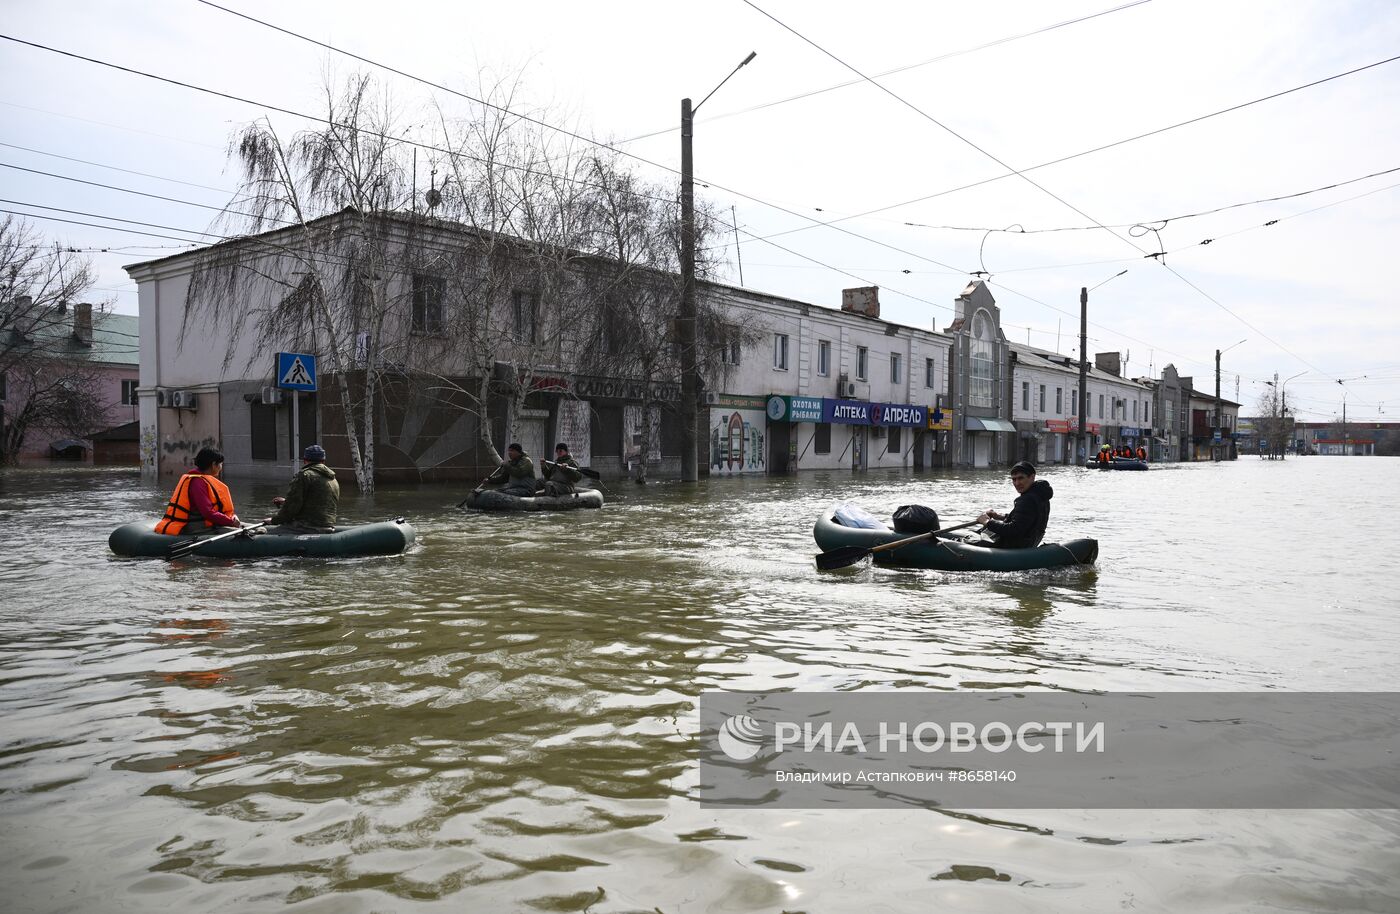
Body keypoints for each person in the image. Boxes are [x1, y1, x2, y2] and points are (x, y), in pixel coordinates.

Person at [156, 446, 243, 534]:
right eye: (220, 464)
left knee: (244, 527)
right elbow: (208, 513)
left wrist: (232, 518)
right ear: (213, 465)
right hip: (194, 527)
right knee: (240, 532)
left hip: (204, 523)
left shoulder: (201, 480)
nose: (221, 467)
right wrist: (230, 522)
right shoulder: (197, 483)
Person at [976, 461, 1053, 549]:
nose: (1017, 483)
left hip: (1013, 548)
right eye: (1014, 479)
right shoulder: (1042, 495)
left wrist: (987, 522)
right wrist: (999, 516)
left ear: (1032, 477)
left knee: (965, 539)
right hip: (1029, 544)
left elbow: (1013, 530)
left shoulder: (1027, 499)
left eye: (1021, 478)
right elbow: (1025, 520)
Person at [266, 444, 340, 532]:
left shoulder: (304, 475)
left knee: (270, 532)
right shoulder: (332, 478)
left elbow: (292, 506)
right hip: (328, 523)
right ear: (323, 461)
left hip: (307, 525)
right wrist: (286, 501)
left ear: (305, 460)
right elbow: (318, 502)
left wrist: (274, 520)